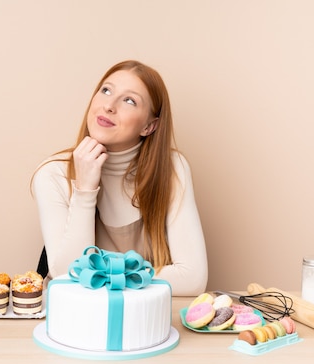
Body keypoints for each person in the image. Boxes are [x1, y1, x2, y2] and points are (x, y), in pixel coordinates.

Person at [31, 60, 207, 296]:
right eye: (106, 90)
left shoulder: (172, 169)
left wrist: (102, 276)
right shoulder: (52, 174)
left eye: (129, 100)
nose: (109, 106)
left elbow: (193, 279)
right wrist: (85, 190)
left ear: (149, 126)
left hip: (145, 324)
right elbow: (67, 277)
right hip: (76, 322)